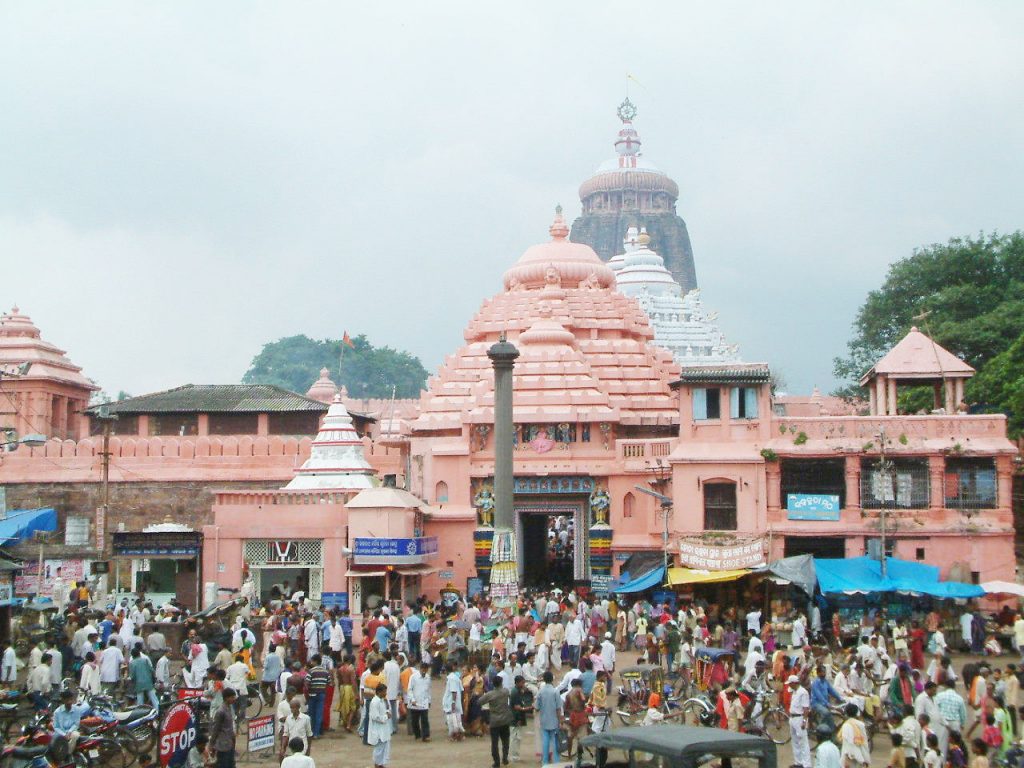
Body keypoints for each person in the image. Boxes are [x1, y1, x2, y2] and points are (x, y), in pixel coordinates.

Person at [480, 675, 514, 768]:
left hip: (494, 721)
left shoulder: (490, 694)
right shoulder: (505, 691)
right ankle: (505, 758)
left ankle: (497, 762)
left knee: (494, 743)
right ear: (501, 683)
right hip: (505, 719)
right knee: (505, 741)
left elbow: (480, 701)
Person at [536, 671, 563, 765]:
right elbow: (558, 708)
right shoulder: (555, 691)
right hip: (554, 720)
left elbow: (537, 707)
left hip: (544, 720)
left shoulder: (540, 691)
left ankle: (545, 762)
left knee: (545, 741)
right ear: (552, 679)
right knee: (555, 742)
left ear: (544, 679)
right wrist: (560, 720)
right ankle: (556, 761)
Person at [207, 687, 238, 768]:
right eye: (232, 697)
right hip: (222, 746)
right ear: (226, 698)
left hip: (230, 744)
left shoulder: (229, 708)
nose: (234, 699)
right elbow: (215, 729)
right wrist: (211, 745)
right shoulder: (220, 712)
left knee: (231, 765)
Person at [788, 675, 812, 768]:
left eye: (790, 683)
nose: (789, 685)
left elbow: (806, 708)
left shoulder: (803, 692)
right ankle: (798, 762)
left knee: (803, 742)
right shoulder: (794, 691)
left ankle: (806, 764)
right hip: (792, 718)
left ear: (794, 683)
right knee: (795, 741)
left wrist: (804, 721)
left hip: (799, 718)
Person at [368, 683, 392, 768]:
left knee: (384, 749)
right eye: (384, 691)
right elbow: (375, 717)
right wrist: (386, 716)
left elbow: (384, 711)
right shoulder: (375, 702)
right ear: (379, 692)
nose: (385, 693)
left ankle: (381, 764)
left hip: (384, 729)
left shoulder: (382, 700)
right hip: (378, 730)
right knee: (378, 749)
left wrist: (387, 713)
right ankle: (377, 764)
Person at [840, 703, 871, 768]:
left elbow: (848, 744)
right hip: (861, 757)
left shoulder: (846, 725)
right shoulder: (861, 724)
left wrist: (847, 760)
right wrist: (866, 759)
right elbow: (864, 743)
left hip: (850, 759)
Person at [407, 661, 431, 742]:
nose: (424, 672)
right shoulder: (413, 677)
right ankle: (417, 734)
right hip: (415, 702)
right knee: (414, 720)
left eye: (426, 670)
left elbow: (428, 690)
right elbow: (409, 689)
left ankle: (426, 735)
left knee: (425, 720)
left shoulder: (428, 677)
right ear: (420, 669)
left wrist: (429, 700)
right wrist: (412, 699)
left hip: (424, 702)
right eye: (423, 670)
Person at [509, 675, 531, 762]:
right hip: (515, 718)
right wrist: (527, 709)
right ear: (518, 683)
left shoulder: (517, 691)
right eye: (522, 682)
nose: (524, 684)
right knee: (515, 738)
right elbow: (517, 707)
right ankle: (513, 756)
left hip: (517, 717)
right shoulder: (515, 692)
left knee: (517, 738)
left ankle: (515, 755)